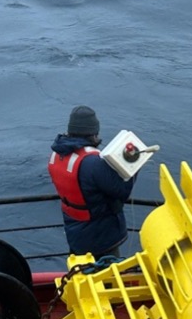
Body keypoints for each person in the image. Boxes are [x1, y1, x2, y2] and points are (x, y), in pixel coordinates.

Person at [48, 105, 138, 260]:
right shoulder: (92, 162)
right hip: (100, 235)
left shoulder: (56, 156)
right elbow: (122, 190)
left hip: (75, 231)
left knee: (82, 270)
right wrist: (133, 163)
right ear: (93, 133)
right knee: (107, 273)